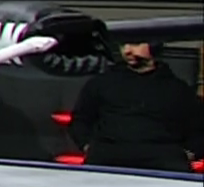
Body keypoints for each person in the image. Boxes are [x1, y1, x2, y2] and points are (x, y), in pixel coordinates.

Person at [70, 41, 202, 173]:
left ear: (153, 46)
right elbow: (81, 119)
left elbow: (198, 127)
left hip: (163, 160)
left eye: (135, 44)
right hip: (107, 156)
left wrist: (189, 153)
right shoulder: (101, 83)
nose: (127, 51)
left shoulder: (178, 89)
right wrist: (88, 147)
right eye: (123, 45)